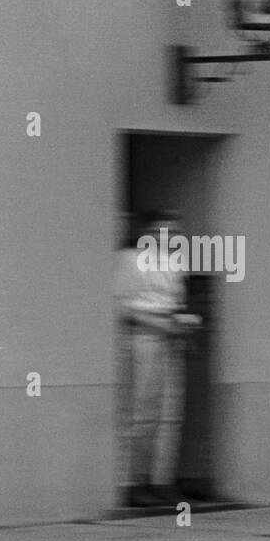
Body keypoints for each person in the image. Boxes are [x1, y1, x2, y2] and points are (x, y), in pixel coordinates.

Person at [115, 212, 200, 507]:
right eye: (161, 232)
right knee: (141, 413)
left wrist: (184, 324)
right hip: (144, 338)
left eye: (172, 233)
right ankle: (132, 482)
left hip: (171, 338)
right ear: (146, 234)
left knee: (170, 415)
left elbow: (176, 303)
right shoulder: (129, 260)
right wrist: (166, 326)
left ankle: (161, 481)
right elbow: (125, 308)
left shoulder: (174, 264)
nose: (167, 238)